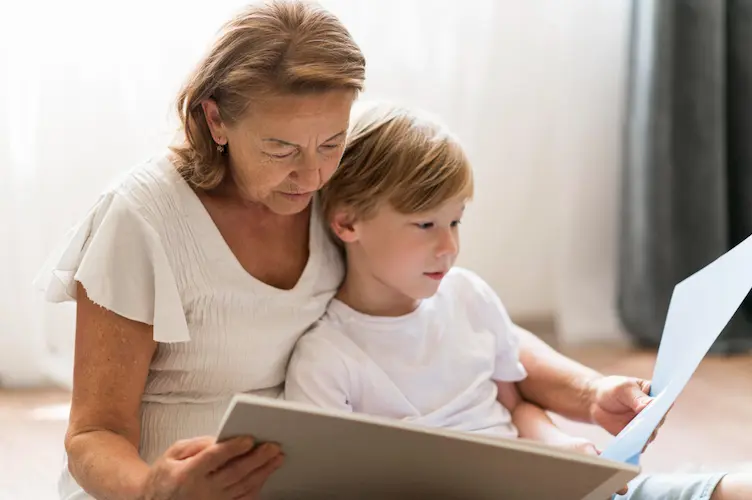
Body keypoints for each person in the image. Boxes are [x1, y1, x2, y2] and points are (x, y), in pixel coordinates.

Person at [34, 1, 682, 499]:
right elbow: (93, 435)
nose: (312, 175)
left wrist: (591, 391)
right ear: (215, 120)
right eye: (281, 148)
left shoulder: (338, 194)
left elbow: (461, 313)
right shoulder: (142, 221)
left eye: (331, 141)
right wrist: (155, 489)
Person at [284, 101, 752, 500]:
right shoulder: (326, 359)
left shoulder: (468, 296)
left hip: (538, 488)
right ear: (347, 225)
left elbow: (514, 405)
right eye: (425, 225)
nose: (449, 247)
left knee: (729, 488)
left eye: (456, 222)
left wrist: (557, 447)